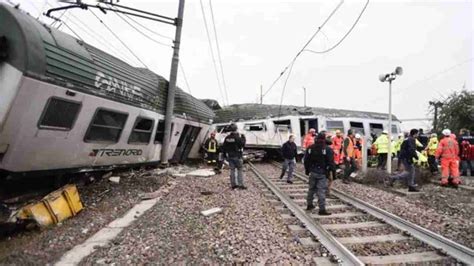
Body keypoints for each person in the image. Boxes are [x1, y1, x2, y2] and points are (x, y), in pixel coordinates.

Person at [304, 132, 335, 215]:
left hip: (313, 171)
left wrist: (307, 170)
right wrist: (333, 174)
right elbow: (331, 163)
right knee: (321, 191)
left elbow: (306, 160)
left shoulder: (310, 148)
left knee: (311, 189)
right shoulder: (327, 149)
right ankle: (322, 209)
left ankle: (309, 204)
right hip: (322, 173)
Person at [222, 124, 247, 190]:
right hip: (237, 156)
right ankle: (240, 185)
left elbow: (224, 147)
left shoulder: (227, 138)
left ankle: (233, 185)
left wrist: (224, 156)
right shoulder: (237, 137)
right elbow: (242, 145)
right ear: (236, 129)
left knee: (232, 170)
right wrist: (243, 137)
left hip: (230, 156)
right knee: (239, 169)